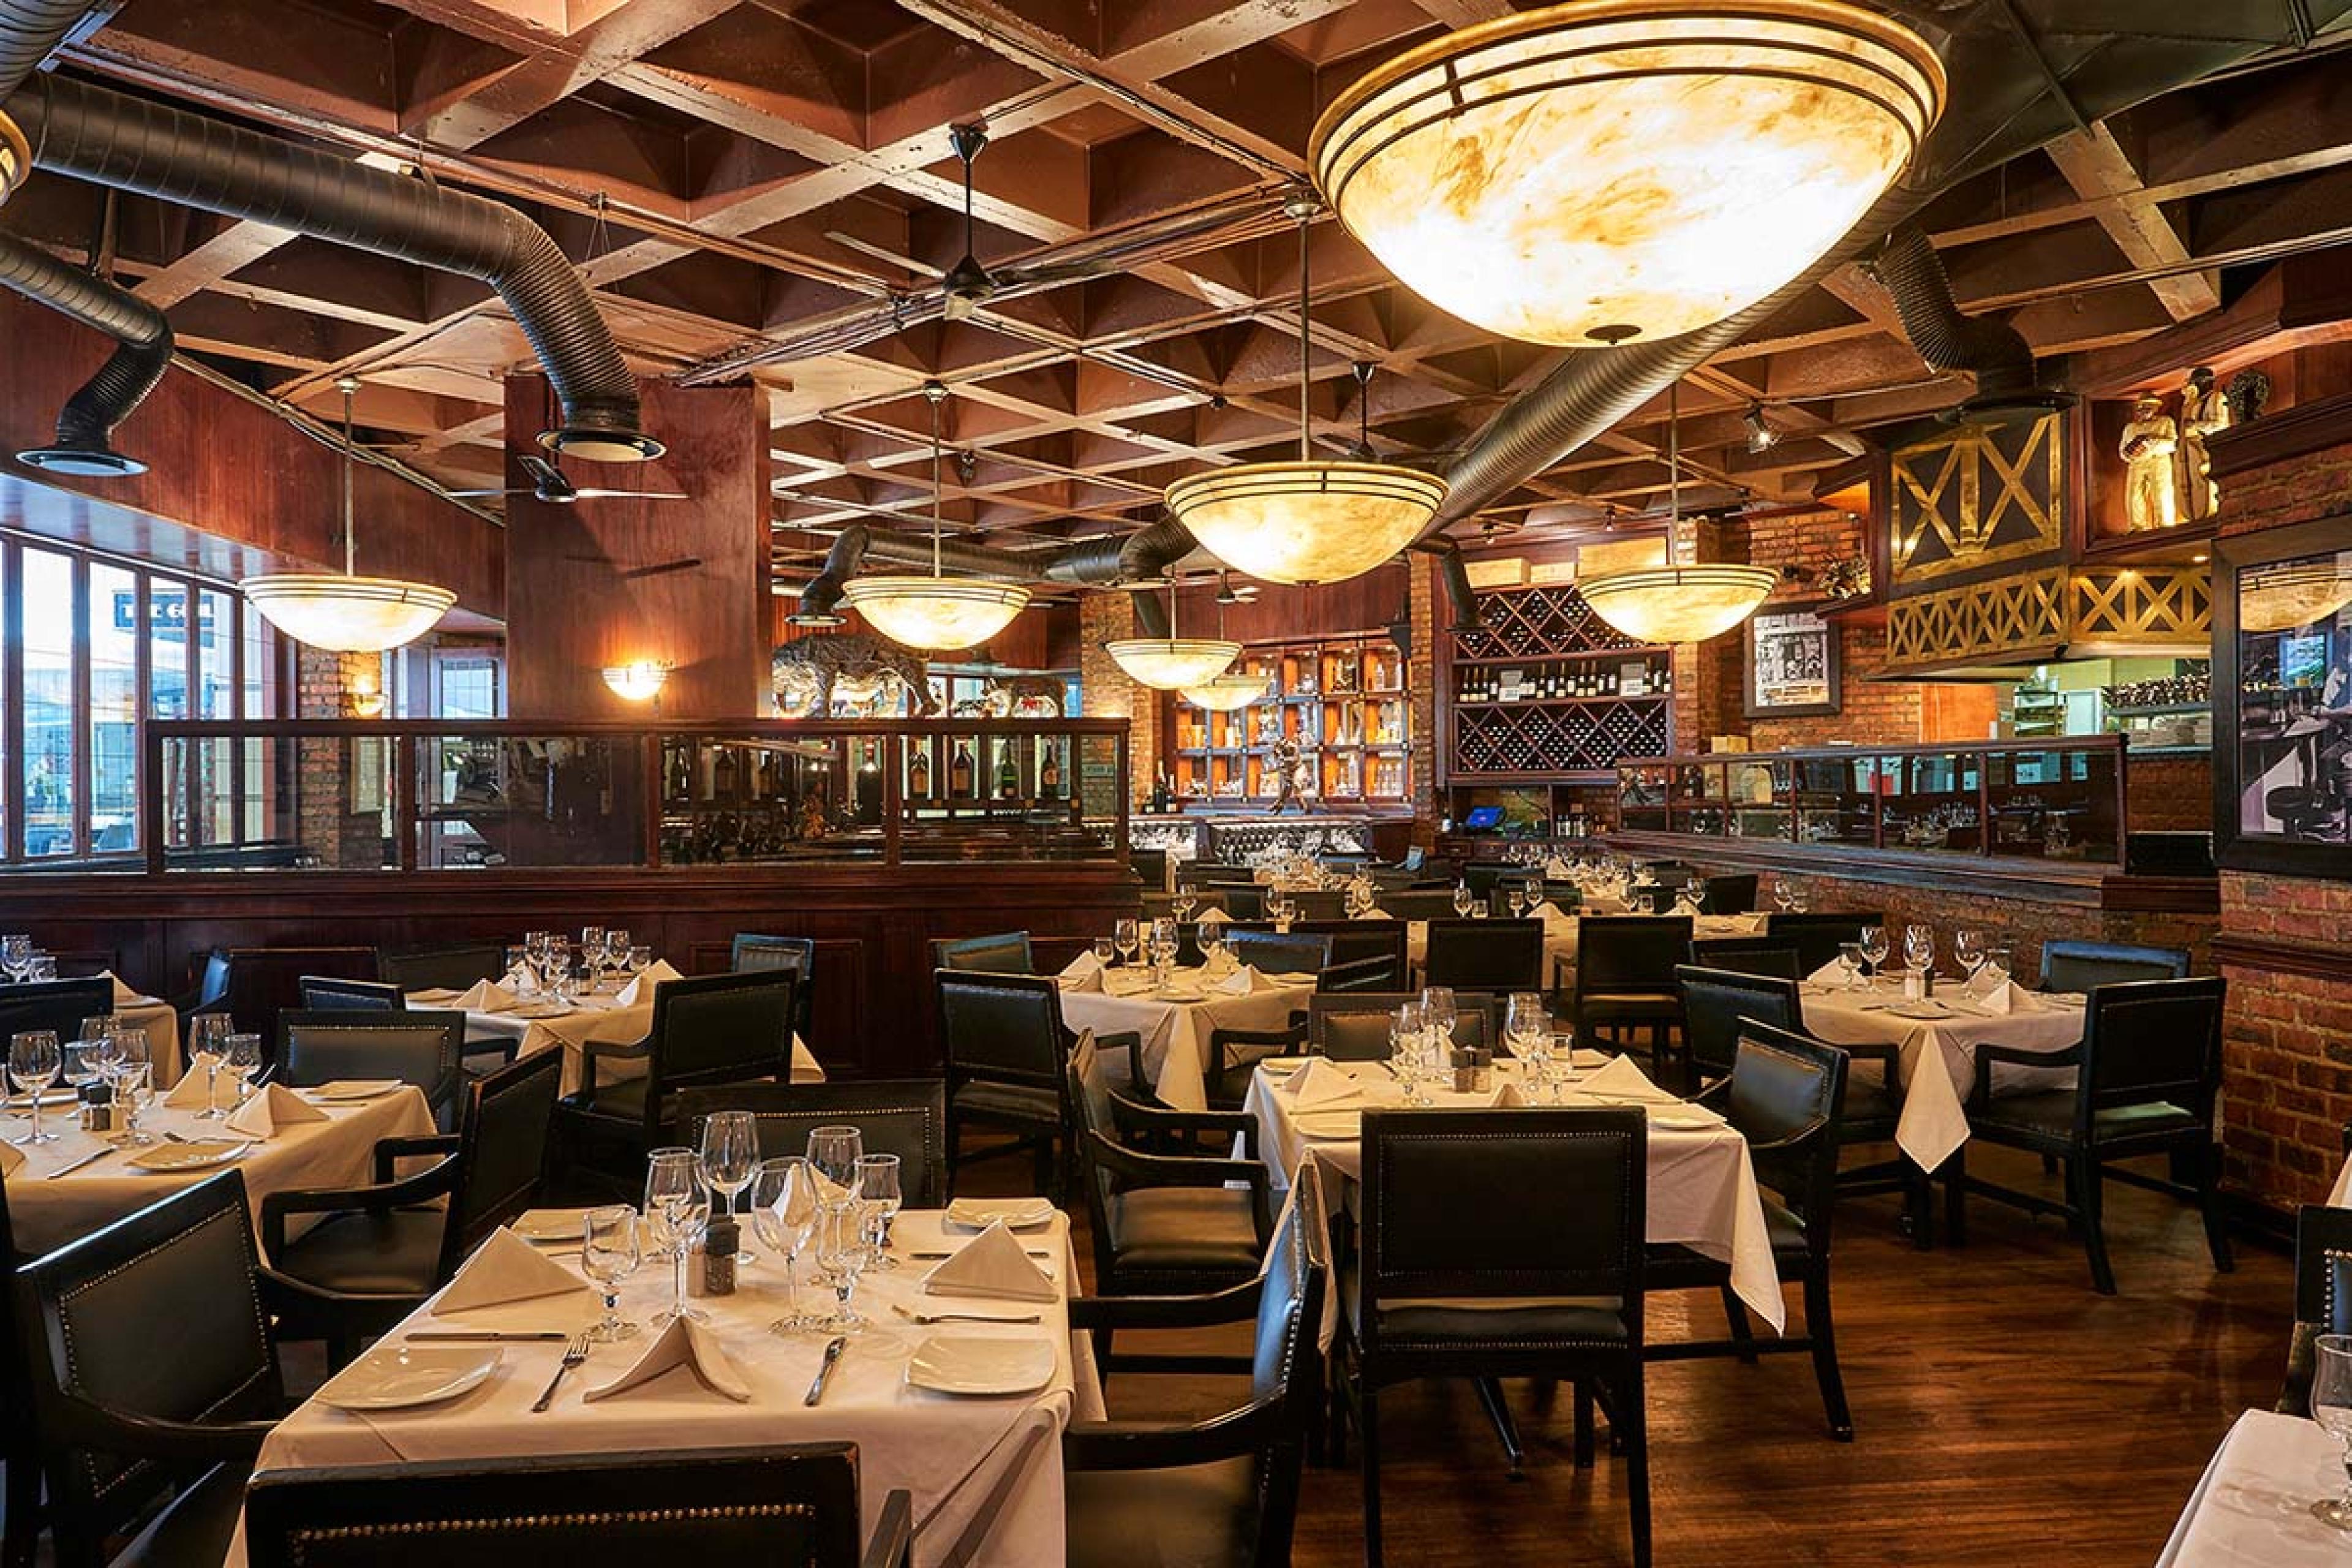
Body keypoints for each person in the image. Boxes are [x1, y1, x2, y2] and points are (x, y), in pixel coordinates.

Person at [2177, 365, 2230, 521]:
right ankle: (2194, 513)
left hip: (2207, 448)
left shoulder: (2217, 398)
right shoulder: (2194, 402)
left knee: (2205, 481)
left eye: (2199, 383)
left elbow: (2220, 424)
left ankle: (2208, 510)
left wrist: (2197, 426)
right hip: (2193, 449)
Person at [2121, 391, 2179, 531]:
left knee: (2161, 492)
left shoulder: (2165, 422)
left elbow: (2172, 444)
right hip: (2137, 464)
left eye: (2148, 407)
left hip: (2158, 461)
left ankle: (2165, 524)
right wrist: (2129, 454)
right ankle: (2137, 527)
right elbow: (2123, 451)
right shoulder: (2130, 428)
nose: (2144, 411)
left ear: (2155, 408)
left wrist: (2150, 441)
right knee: (2134, 495)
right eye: (2141, 407)